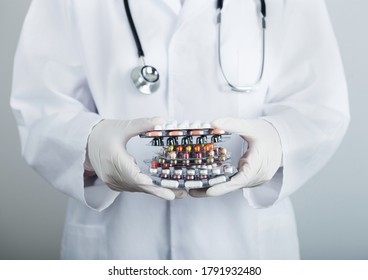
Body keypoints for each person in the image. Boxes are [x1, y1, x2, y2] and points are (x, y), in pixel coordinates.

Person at [10, 0, 349, 259]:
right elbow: (40, 105)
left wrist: (277, 142)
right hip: (119, 247)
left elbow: (319, 106)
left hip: (244, 246)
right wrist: (89, 143)